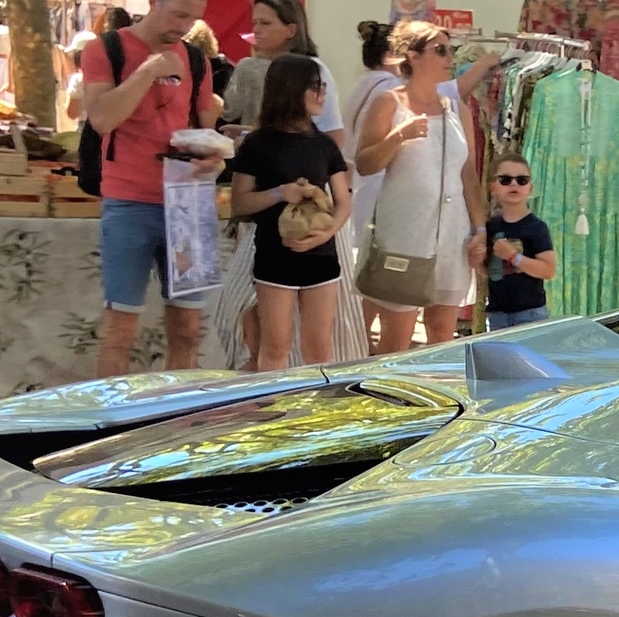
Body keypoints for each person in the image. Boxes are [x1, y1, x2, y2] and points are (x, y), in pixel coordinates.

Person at [80, 0, 224, 377]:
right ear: (152, 2)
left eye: (192, 18)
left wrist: (213, 156)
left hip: (189, 203)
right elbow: (103, 118)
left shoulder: (195, 59)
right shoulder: (106, 49)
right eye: (177, 14)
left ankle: (176, 415)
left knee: (188, 328)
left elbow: (203, 131)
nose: (184, 26)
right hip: (129, 199)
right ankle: (111, 424)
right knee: (120, 326)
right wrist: (147, 71)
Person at [358, 21, 478, 352]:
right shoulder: (388, 102)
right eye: (440, 50)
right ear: (413, 56)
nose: (449, 57)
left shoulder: (458, 109)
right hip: (405, 234)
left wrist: (480, 227)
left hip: (452, 234)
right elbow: (365, 163)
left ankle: (435, 401)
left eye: (450, 49)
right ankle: (385, 401)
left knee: (442, 335)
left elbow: (469, 172)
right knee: (396, 339)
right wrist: (399, 136)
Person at [229, 54, 350, 372]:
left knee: (319, 347)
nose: (322, 94)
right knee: (275, 345)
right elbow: (239, 203)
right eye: (315, 86)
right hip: (274, 255)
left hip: (321, 254)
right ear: (292, 89)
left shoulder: (325, 146)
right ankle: (274, 412)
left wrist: (327, 232)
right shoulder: (258, 144)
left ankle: (314, 414)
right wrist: (279, 193)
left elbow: (343, 201)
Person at [223, 0, 344, 146]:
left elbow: (330, 130)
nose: (256, 30)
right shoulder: (250, 66)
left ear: (291, 30)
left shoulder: (312, 70)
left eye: (265, 23)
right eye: (255, 23)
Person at [470, 154, 557, 329]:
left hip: (531, 313)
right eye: (505, 180)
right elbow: (492, 271)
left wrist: (514, 257)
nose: (514, 184)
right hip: (497, 313)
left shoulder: (536, 227)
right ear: (492, 188)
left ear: (530, 188)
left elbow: (548, 270)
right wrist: (476, 262)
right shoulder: (490, 227)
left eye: (522, 180)